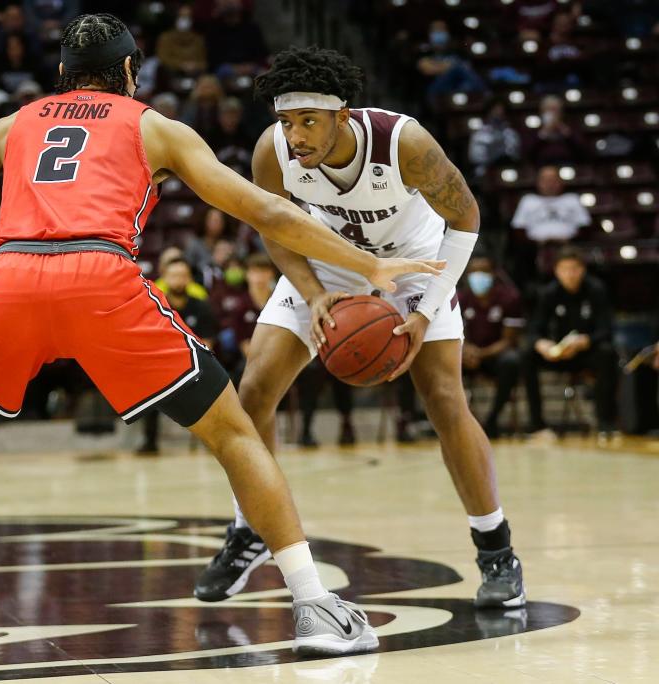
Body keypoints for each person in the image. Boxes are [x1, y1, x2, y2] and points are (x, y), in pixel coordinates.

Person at [0, 13, 441, 662]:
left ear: (62, 71)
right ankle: (315, 605)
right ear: (127, 71)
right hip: (99, 276)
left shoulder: (13, 124)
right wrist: (368, 264)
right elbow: (261, 208)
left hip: (11, 277)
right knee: (235, 431)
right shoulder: (155, 127)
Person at [193, 46, 525, 612]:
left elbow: (466, 221)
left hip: (416, 264)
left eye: (308, 122)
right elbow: (274, 227)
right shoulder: (272, 152)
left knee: (445, 399)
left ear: (342, 115)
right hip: (325, 262)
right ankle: (250, 528)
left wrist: (424, 312)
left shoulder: (406, 144)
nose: (295, 135)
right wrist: (317, 291)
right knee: (252, 394)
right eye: (286, 121)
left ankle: (496, 549)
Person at [522, 247, 618, 439]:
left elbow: (606, 329)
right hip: (558, 354)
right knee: (526, 356)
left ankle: (605, 423)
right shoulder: (549, 293)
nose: (570, 274)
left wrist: (586, 341)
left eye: (574, 269)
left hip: (585, 352)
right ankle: (537, 425)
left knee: (607, 353)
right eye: (564, 269)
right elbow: (534, 330)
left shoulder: (596, 290)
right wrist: (542, 344)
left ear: (582, 269)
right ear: (556, 270)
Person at [136, 258, 218, 455]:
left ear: (189, 279)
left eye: (182, 276)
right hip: (161, 364)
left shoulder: (202, 307)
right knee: (147, 383)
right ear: (165, 278)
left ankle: (213, 440)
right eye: (174, 276)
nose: (178, 281)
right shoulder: (153, 307)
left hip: (195, 364)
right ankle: (150, 441)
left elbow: (207, 343)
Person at [458, 255, 525, 437]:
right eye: (474, 272)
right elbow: (453, 334)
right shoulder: (460, 299)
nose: (478, 276)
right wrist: (465, 350)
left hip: (495, 357)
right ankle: (456, 422)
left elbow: (510, 340)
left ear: (494, 274)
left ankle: (492, 420)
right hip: (467, 357)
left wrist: (481, 354)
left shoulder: (510, 297)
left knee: (512, 361)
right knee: (443, 360)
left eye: (483, 272)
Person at [510, 165, 591, 280]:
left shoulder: (572, 199)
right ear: (538, 182)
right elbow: (518, 230)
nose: (549, 184)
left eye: (553, 180)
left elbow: (586, 228)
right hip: (535, 248)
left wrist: (568, 240)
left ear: (560, 182)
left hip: (569, 246)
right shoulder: (528, 200)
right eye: (545, 180)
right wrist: (537, 242)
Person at [523, 95, 588, 166]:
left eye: (555, 110)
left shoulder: (571, 129)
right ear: (541, 112)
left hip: (567, 166)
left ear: (561, 112)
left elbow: (583, 151)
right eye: (548, 110)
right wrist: (544, 132)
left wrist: (564, 130)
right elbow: (527, 153)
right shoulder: (533, 130)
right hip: (541, 168)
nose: (552, 114)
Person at [468, 99, 521, 179]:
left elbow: (516, 155)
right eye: (495, 111)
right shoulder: (479, 134)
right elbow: (475, 158)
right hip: (485, 170)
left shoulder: (511, 133)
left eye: (501, 112)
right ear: (489, 113)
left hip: (507, 169)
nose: (498, 114)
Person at [155, 4, 207, 75]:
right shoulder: (165, 38)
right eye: (182, 17)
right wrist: (181, 65)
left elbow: (203, 62)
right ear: (176, 18)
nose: (184, 20)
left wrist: (194, 66)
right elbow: (162, 58)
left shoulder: (198, 39)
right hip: (171, 74)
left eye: (187, 17)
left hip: (194, 74)